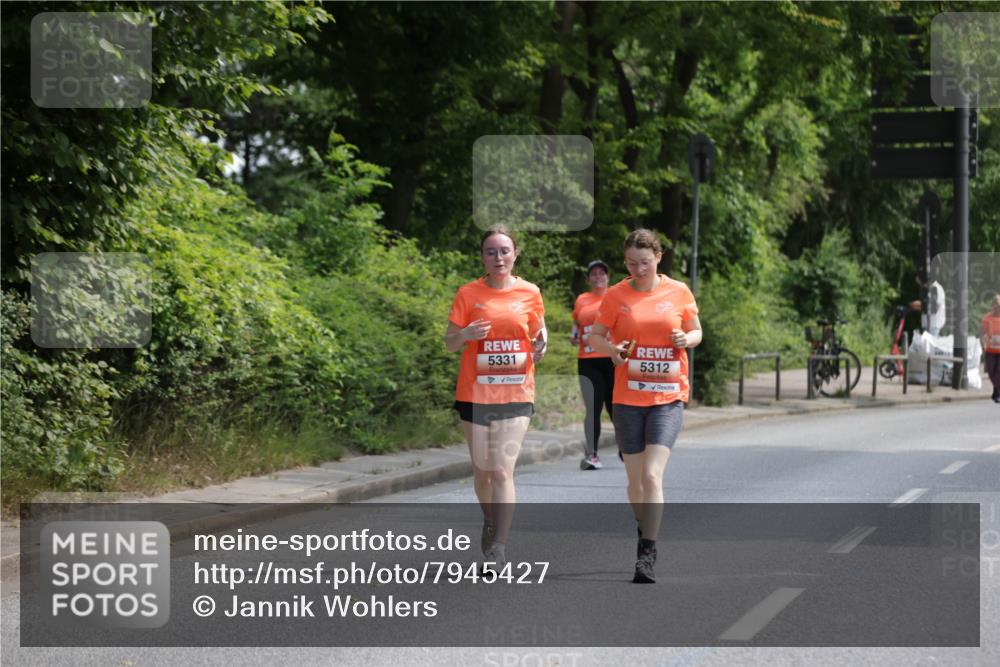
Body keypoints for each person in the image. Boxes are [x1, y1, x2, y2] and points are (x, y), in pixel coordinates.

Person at [588, 229, 702, 584]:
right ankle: (644, 528)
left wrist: (687, 338)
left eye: (646, 262)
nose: (639, 269)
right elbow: (595, 336)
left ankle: (647, 552)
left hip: (668, 397)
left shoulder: (678, 291)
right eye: (633, 263)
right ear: (625, 262)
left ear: (659, 257)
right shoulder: (616, 295)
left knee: (652, 475)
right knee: (635, 481)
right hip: (627, 399)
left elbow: (697, 331)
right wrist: (613, 351)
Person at [445, 224, 547, 567]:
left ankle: (498, 547)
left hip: (516, 391)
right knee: (483, 472)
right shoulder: (468, 294)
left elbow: (538, 331)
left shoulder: (530, 292)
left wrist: (541, 344)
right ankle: (490, 520)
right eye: (491, 252)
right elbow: (449, 343)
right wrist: (468, 334)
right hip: (475, 392)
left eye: (504, 251)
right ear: (482, 257)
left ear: (515, 254)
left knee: (502, 470)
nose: (498, 257)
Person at [571, 260, 615, 470]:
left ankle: (627, 448)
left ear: (608, 278)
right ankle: (592, 454)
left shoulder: (615, 296)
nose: (598, 277)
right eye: (594, 274)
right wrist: (574, 334)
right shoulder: (582, 299)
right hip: (588, 361)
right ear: (588, 279)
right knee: (593, 409)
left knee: (616, 408)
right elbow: (576, 323)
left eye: (602, 274)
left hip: (612, 359)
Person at [980, 294, 1000, 403]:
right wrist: (982, 343)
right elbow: (982, 332)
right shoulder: (987, 318)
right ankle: (996, 390)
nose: (998, 309)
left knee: (998, 371)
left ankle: (997, 393)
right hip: (990, 350)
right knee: (991, 372)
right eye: (996, 306)